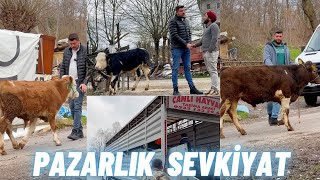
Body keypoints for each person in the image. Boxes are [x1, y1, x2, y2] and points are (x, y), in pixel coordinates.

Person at [168, 5, 203, 95]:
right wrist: (186, 44)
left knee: (187, 67)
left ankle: (192, 88)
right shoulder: (172, 21)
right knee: (175, 68)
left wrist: (190, 43)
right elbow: (174, 35)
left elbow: (189, 33)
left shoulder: (186, 21)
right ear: (177, 12)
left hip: (186, 49)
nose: (183, 12)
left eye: (184, 10)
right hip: (177, 48)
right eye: (181, 11)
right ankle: (175, 89)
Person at [60, 33, 87, 140]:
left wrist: (84, 82)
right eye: (70, 43)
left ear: (78, 41)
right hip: (69, 83)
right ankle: (79, 131)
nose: (72, 45)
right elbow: (63, 67)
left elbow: (89, 69)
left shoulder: (85, 51)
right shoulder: (67, 51)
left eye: (74, 43)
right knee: (71, 106)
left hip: (79, 83)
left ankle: (75, 131)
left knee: (77, 106)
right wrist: (61, 79)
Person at [263, 29, 293, 126]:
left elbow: (289, 61)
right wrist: (273, 69)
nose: (279, 38)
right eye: (277, 36)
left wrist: (298, 65)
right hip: (272, 75)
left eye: (280, 36)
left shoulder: (285, 48)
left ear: (282, 37)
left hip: (283, 76)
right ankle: (270, 114)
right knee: (270, 97)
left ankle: (274, 118)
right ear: (274, 37)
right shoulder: (268, 47)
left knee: (279, 96)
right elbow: (266, 59)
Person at [193, 11, 220, 96]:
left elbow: (214, 38)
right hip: (206, 52)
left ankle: (215, 89)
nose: (203, 17)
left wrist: (210, 50)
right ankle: (212, 88)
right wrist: (195, 45)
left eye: (205, 16)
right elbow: (202, 40)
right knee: (210, 71)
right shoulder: (207, 28)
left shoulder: (214, 26)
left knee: (213, 70)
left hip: (211, 52)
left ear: (209, 18)